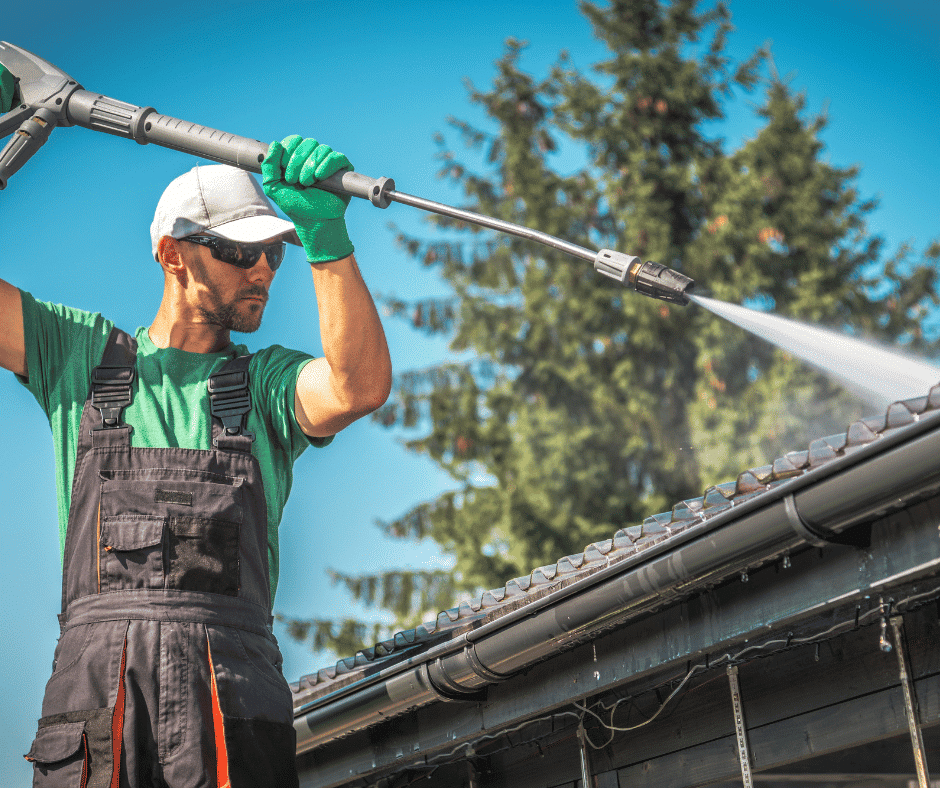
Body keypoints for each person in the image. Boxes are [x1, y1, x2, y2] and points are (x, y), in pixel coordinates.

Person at [1, 66, 392, 788]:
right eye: (241, 251)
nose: (265, 272)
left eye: (274, 251)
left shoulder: (267, 385)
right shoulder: (80, 356)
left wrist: (326, 236)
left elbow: (356, 386)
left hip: (231, 690)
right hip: (99, 694)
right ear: (172, 252)